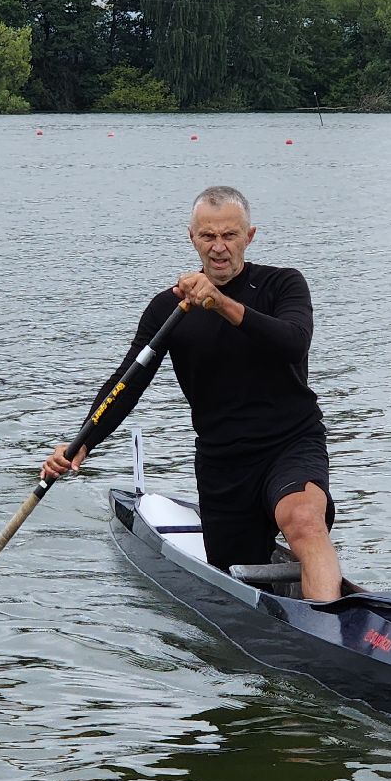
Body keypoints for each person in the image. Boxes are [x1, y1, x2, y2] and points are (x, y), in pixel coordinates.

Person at [41, 186, 343, 603]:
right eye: (208, 237)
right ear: (192, 238)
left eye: (230, 236)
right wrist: (82, 443)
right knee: (234, 574)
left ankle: (328, 629)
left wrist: (219, 303)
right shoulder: (169, 308)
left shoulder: (282, 284)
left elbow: (293, 342)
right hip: (223, 464)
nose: (219, 248)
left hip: (291, 443)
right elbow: (126, 383)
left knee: (305, 520)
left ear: (250, 236)